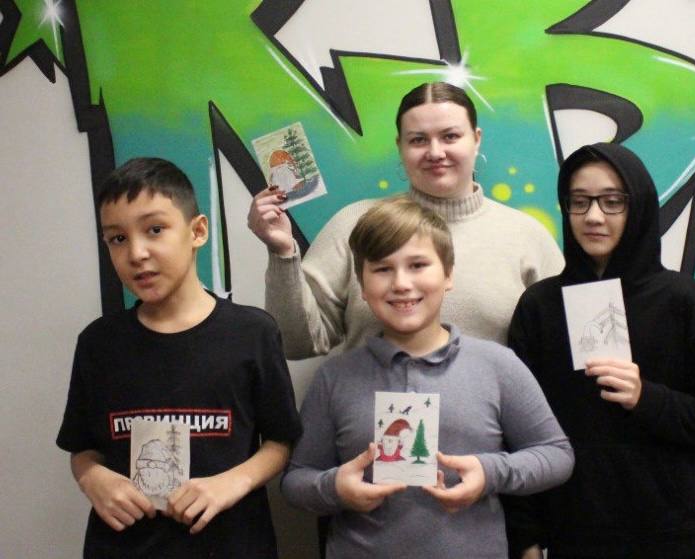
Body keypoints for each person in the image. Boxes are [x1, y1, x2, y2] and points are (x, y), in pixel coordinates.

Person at [281, 197, 574, 558]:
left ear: (448, 275)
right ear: (362, 284)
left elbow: (557, 455)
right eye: (382, 269)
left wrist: (490, 472)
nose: (402, 283)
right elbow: (295, 481)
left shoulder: (498, 366)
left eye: (418, 265)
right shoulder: (335, 378)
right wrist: (334, 488)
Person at [56, 157, 302, 558]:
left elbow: (281, 440)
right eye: (117, 239)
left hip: (232, 545)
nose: (136, 253)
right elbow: (82, 448)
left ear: (197, 231)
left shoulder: (251, 333)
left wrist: (233, 482)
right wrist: (92, 479)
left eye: (155, 230)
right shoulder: (98, 344)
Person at [507, 143, 695, 558]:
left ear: (639, 207)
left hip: (667, 531)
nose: (594, 216)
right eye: (580, 202)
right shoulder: (539, 306)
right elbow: (519, 432)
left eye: (612, 201)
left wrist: (646, 397)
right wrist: (526, 536)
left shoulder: (683, 300)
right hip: (573, 530)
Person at [248, 81, 564, 358]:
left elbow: (563, 345)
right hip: (369, 407)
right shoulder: (356, 224)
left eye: (450, 136)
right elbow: (295, 344)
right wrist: (282, 253)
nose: (435, 152)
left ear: (476, 139)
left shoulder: (527, 236)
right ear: (400, 146)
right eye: (418, 140)